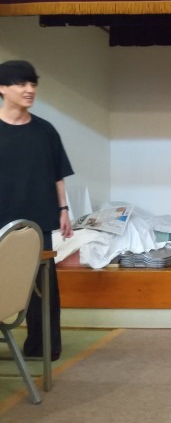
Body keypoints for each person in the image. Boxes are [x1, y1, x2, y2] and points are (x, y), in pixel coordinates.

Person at [0, 60, 74, 361]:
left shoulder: (45, 131)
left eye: (33, 84)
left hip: (37, 221)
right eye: (21, 84)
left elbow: (58, 174)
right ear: (2, 88)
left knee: (42, 288)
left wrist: (64, 209)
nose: (29, 90)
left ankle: (43, 347)